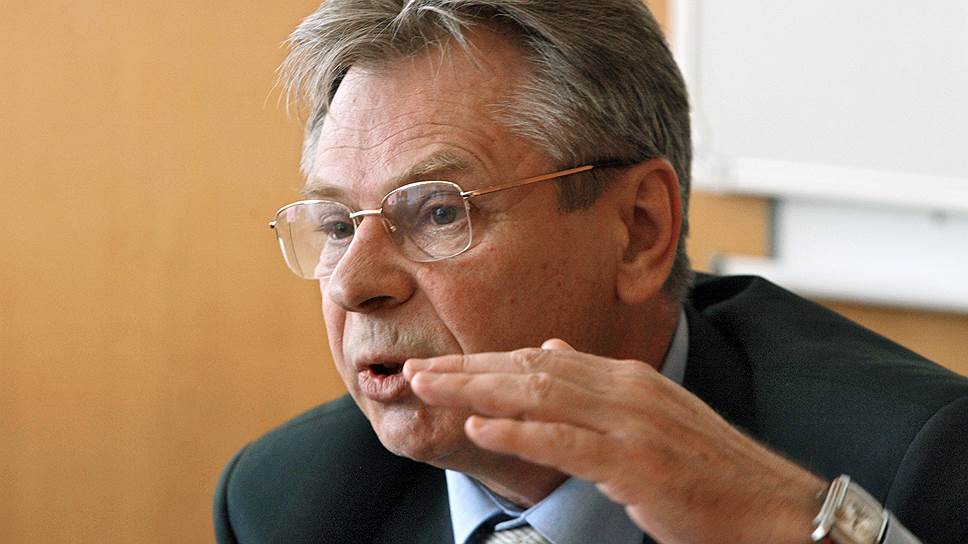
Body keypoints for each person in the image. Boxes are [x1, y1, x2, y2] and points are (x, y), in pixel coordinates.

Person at [214, 1, 968, 543]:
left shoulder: (916, 462)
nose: (353, 285)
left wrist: (804, 531)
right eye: (338, 225)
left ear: (639, 230)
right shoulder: (287, 499)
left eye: (438, 212)